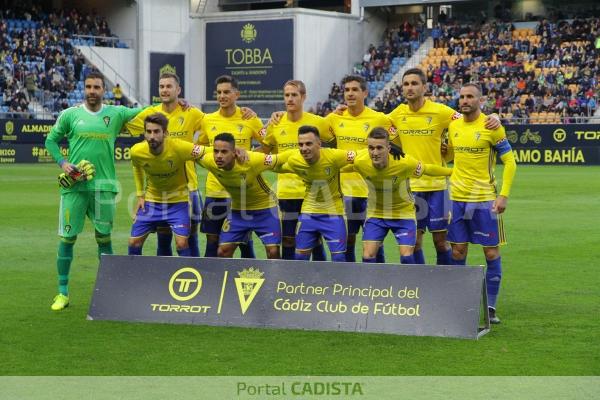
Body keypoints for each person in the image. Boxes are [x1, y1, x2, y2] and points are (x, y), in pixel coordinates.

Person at [44, 71, 142, 311]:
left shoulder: (116, 114)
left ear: (104, 90)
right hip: (75, 188)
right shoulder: (70, 115)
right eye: (88, 86)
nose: (92, 91)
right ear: (83, 89)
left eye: (96, 87)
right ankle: (62, 293)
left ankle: (108, 291)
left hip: (104, 188)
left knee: (104, 238)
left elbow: (144, 112)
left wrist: (169, 103)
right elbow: (51, 140)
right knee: (67, 238)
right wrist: (63, 163)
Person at [388, 67, 501, 265]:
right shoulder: (397, 114)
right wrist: (341, 110)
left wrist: (495, 117)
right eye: (406, 84)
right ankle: (419, 287)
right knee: (413, 242)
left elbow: (470, 118)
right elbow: (372, 121)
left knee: (441, 242)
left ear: (425, 87)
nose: (409, 88)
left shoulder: (441, 111)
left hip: (438, 186)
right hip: (410, 187)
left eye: (414, 83)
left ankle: (444, 285)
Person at [445, 83, 517, 324]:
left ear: (480, 100)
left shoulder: (491, 126)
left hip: (485, 200)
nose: (465, 100)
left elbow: (510, 162)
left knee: (491, 251)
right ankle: (457, 302)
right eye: (462, 96)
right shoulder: (453, 125)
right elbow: (451, 157)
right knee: (457, 250)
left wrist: (503, 195)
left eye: (470, 97)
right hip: (457, 199)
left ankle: (490, 306)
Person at [126, 72, 205, 257]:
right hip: (158, 190)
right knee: (163, 237)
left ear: (178, 90)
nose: (164, 90)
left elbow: (214, 125)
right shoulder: (149, 114)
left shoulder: (191, 112)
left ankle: (195, 277)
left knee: (189, 237)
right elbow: (125, 124)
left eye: (169, 86)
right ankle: (165, 279)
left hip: (188, 186)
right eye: (161, 86)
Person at [347, 127, 452, 264]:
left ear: (389, 148)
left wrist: (453, 172)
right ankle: (376, 285)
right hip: (376, 214)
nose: (375, 153)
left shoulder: (404, 162)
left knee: (407, 256)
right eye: (371, 148)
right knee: (368, 255)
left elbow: (427, 169)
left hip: (403, 214)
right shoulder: (360, 160)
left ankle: (412, 285)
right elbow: (338, 163)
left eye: (380, 148)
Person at [259, 80, 333, 260]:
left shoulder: (318, 123)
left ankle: (319, 282)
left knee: (314, 240)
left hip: (313, 192)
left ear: (303, 97)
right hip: (286, 193)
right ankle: (288, 281)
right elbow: (264, 153)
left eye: (294, 95)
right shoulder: (275, 123)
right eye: (287, 95)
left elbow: (333, 147)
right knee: (288, 240)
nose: (290, 99)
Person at [325, 75, 395, 262]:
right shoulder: (334, 119)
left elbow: (396, 146)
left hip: (372, 192)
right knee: (347, 240)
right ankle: (350, 285)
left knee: (374, 243)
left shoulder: (379, 118)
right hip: (343, 191)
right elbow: (310, 131)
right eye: (347, 90)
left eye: (355, 89)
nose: (350, 94)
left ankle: (378, 285)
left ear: (365, 92)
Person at [197, 75, 264, 258]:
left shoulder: (249, 118)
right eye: (219, 92)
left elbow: (270, 143)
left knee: (244, 242)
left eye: (226, 92)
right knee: (212, 241)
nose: (222, 96)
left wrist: (249, 156)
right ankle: (210, 282)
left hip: (242, 194)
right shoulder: (208, 120)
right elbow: (200, 149)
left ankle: (247, 283)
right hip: (214, 192)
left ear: (237, 94)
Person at [196, 133, 286, 259]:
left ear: (234, 153)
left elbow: (281, 158)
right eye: (216, 151)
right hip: (238, 212)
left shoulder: (252, 159)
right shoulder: (209, 161)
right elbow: (190, 150)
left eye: (224, 152)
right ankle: (225, 278)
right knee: (222, 252)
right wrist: (234, 147)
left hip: (266, 209)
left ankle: (276, 278)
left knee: (273, 253)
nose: (219, 156)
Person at [278, 125, 357, 262]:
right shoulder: (294, 160)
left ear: (319, 144)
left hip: (333, 213)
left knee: (339, 258)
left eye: (308, 143)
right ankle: (303, 283)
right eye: (301, 144)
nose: (304, 148)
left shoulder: (334, 156)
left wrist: (388, 152)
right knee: (299, 258)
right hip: (309, 212)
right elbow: (270, 162)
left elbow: (361, 155)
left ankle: (340, 283)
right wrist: (241, 155)